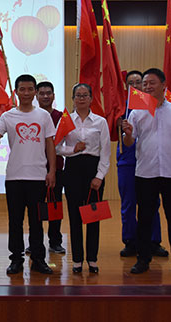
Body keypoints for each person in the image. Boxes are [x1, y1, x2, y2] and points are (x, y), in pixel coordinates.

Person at [122, 68, 171, 275]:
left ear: (164, 85)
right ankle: (143, 260)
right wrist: (127, 134)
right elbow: (129, 143)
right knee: (144, 219)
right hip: (145, 173)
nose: (147, 87)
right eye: (144, 83)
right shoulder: (136, 112)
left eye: (151, 83)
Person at [0, 74, 56, 275]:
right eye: (22, 89)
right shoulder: (8, 116)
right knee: (15, 221)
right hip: (14, 177)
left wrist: (51, 171)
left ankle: (38, 259)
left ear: (35, 92)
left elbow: (50, 144)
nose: (26, 93)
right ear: (16, 92)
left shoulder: (43, 116)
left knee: (36, 221)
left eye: (30, 89)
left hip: (38, 176)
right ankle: (16, 259)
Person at [56, 83, 110, 274]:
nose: (81, 98)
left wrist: (99, 176)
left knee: (94, 216)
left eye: (85, 95)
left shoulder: (100, 122)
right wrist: (73, 149)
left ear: (91, 98)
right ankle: (77, 260)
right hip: (72, 170)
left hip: (93, 170)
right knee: (75, 216)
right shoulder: (66, 120)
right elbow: (57, 147)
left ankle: (92, 259)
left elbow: (106, 152)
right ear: (73, 99)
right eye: (78, 95)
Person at [116, 71, 167, 258]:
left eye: (139, 82)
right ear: (126, 86)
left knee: (151, 203)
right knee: (129, 203)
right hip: (127, 161)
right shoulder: (120, 107)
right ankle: (130, 241)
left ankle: (153, 241)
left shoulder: (155, 106)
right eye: (131, 82)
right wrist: (117, 122)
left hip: (149, 160)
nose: (136, 86)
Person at [35, 81, 66, 255]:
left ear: (54, 96)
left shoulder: (61, 117)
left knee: (55, 205)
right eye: (42, 93)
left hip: (57, 168)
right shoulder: (31, 115)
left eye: (49, 93)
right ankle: (35, 242)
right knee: (36, 208)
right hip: (35, 169)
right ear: (36, 96)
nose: (45, 96)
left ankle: (55, 241)